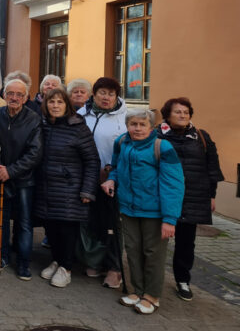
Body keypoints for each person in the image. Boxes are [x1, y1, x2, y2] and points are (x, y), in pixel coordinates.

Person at [102, 109, 185, 315]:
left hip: (154, 212)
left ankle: (152, 295)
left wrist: (169, 219)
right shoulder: (122, 142)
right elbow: (116, 166)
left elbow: (173, 184)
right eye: (133, 124)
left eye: (142, 125)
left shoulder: (162, 147)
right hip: (129, 209)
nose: (137, 129)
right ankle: (137, 291)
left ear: (151, 127)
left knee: (153, 254)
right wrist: (112, 178)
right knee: (132, 251)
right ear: (127, 125)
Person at [157, 97, 224, 301]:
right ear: (167, 114)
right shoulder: (156, 135)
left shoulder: (201, 137)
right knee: (156, 241)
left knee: (186, 243)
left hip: (193, 196)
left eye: (186, 112)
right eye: (178, 111)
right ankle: (152, 280)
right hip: (163, 196)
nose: (183, 115)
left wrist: (211, 195)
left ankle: (182, 280)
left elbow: (212, 168)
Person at [34, 87, 100, 288]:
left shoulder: (79, 127)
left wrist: (88, 190)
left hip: (69, 188)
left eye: (60, 102)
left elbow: (92, 160)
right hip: (46, 187)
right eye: (51, 102)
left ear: (67, 105)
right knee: (51, 227)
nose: (55, 106)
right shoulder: (43, 125)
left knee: (67, 229)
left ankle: (66, 268)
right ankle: (56, 260)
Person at [76, 77, 127, 289]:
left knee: (113, 224)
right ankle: (94, 262)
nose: (106, 98)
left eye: (111, 94)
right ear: (93, 94)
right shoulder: (80, 115)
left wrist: (111, 171)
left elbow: (128, 148)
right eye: (102, 93)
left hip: (112, 178)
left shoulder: (125, 117)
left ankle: (114, 268)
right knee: (90, 222)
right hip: (86, 177)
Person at [0, 77, 43, 280]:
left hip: (23, 179)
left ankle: (23, 262)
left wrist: (11, 171)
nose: (14, 97)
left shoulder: (34, 119)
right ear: (3, 95)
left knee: (24, 223)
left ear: (26, 97)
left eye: (19, 94)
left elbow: (35, 153)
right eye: (10, 93)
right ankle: (1, 255)